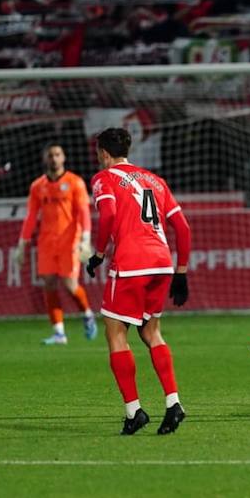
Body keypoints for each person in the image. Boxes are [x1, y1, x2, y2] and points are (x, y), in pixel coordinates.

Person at [86, 127, 191, 436]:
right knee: (151, 331)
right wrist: (181, 272)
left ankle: (134, 411)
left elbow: (107, 216)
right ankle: (174, 403)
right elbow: (182, 228)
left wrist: (99, 253)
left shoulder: (103, 179)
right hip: (162, 263)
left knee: (116, 333)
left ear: (104, 153)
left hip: (131, 264)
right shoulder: (154, 180)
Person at [14, 143, 98, 345]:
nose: (54, 158)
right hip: (46, 242)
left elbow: (84, 212)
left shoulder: (75, 182)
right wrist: (22, 244)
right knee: (49, 284)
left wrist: (85, 238)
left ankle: (87, 314)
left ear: (64, 158)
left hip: (70, 241)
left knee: (70, 285)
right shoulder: (37, 186)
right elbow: (31, 217)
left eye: (57, 154)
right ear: (46, 159)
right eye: (50, 155)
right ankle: (59, 332)